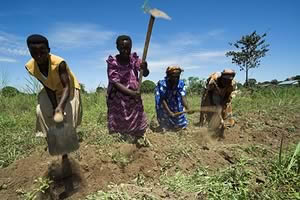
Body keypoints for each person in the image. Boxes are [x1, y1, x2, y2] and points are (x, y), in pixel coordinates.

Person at [25, 34, 82, 198]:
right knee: (41, 110)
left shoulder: (59, 63)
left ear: (48, 50)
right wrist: (54, 107)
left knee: (67, 120)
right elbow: (48, 86)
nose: (38, 56)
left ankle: (66, 156)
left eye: (42, 51)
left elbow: (66, 86)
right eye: (34, 52)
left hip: (68, 89)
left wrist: (61, 107)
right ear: (29, 51)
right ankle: (53, 140)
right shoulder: (31, 66)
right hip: (52, 90)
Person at [106, 35, 149, 140]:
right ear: (118, 48)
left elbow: (145, 74)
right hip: (118, 96)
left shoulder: (134, 59)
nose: (125, 51)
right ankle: (120, 137)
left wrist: (145, 67)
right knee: (120, 118)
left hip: (134, 96)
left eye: (128, 48)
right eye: (122, 48)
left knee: (137, 117)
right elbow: (115, 82)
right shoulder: (113, 62)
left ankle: (138, 134)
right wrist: (131, 93)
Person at [155, 66, 192, 131]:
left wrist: (187, 108)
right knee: (165, 120)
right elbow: (162, 99)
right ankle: (165, 126)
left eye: (178, 77)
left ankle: (180, 125)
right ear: (168, 76)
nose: (176, 79)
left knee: (179, 118)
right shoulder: (162, 84)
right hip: (164, 103)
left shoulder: (180, 83)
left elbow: (183, 96)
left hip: (175, 102)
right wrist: (169, 112)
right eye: (173, 77)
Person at [199, 69, 236, 133]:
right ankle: (203, 122)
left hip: (224, 92)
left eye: (228, 80)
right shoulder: (213, 80)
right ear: (221, 77)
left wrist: (223, 104)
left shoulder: (232, 83)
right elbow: (209, 94)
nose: (226, 82)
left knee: (225, 106)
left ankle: (225, 121)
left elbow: (228, 95)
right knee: (207, 106)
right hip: (211, 91)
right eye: (225, 80)